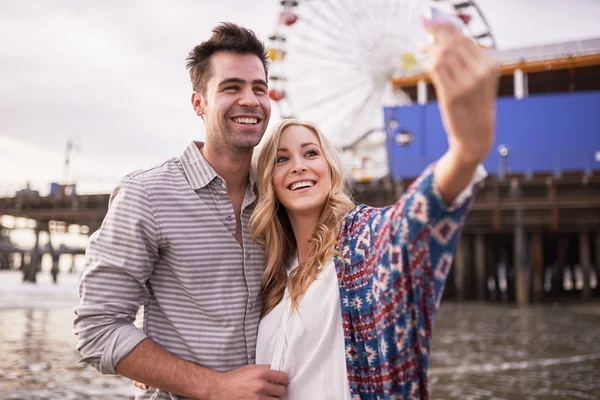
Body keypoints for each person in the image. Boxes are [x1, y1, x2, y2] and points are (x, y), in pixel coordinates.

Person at [249, 19, 499, 399]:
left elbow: (406, 225)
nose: (298, 165)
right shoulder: (269, 277)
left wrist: (465, 152)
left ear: (330, 169)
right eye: (282, 158)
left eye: (311, 153)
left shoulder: (358, 241)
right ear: (268, 178)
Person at [73, 23, 288, 400]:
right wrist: (213, 386)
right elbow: (97, 328)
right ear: (198, 104)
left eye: (259, 88)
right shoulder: (147, 194)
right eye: (231, 87)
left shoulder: (279, 198)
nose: (251, 100)